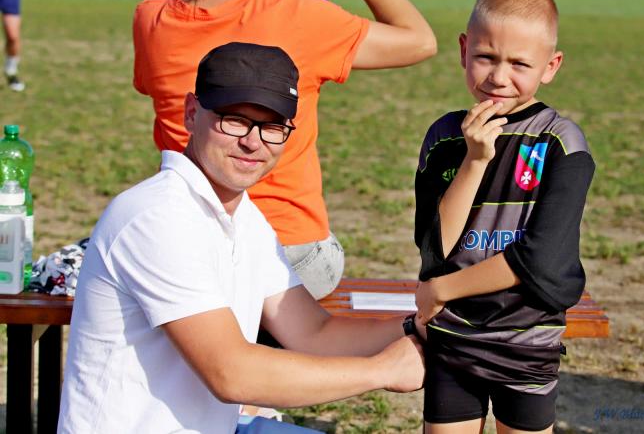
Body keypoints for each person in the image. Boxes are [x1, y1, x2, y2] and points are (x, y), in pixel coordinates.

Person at [59, 42, 425, 433]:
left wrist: (420, 327)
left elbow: (313, 334)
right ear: (190, 113)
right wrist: (382, 371)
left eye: (272, 127)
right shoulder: (156, 216)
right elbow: (230, 373)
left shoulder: (246, 219)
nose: (253, 141)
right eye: (234, 120)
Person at [133, 0, 437, 299]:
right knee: (324, 256)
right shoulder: (302, 18)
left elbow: (218, 29)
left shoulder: (151, 21)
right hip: (291, 252)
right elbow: (420, 40)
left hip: (190, 246)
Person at [413, 0, 595, 434]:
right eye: (486, 57)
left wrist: (441, 290)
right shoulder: (444, 139)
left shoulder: (560, 142)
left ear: (550, 66)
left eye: (519, 63)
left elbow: (541, 260)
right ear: (463, 50)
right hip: (453, 340)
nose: (498, 76)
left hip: (526, 342)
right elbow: (435, 249)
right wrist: (475, 160)